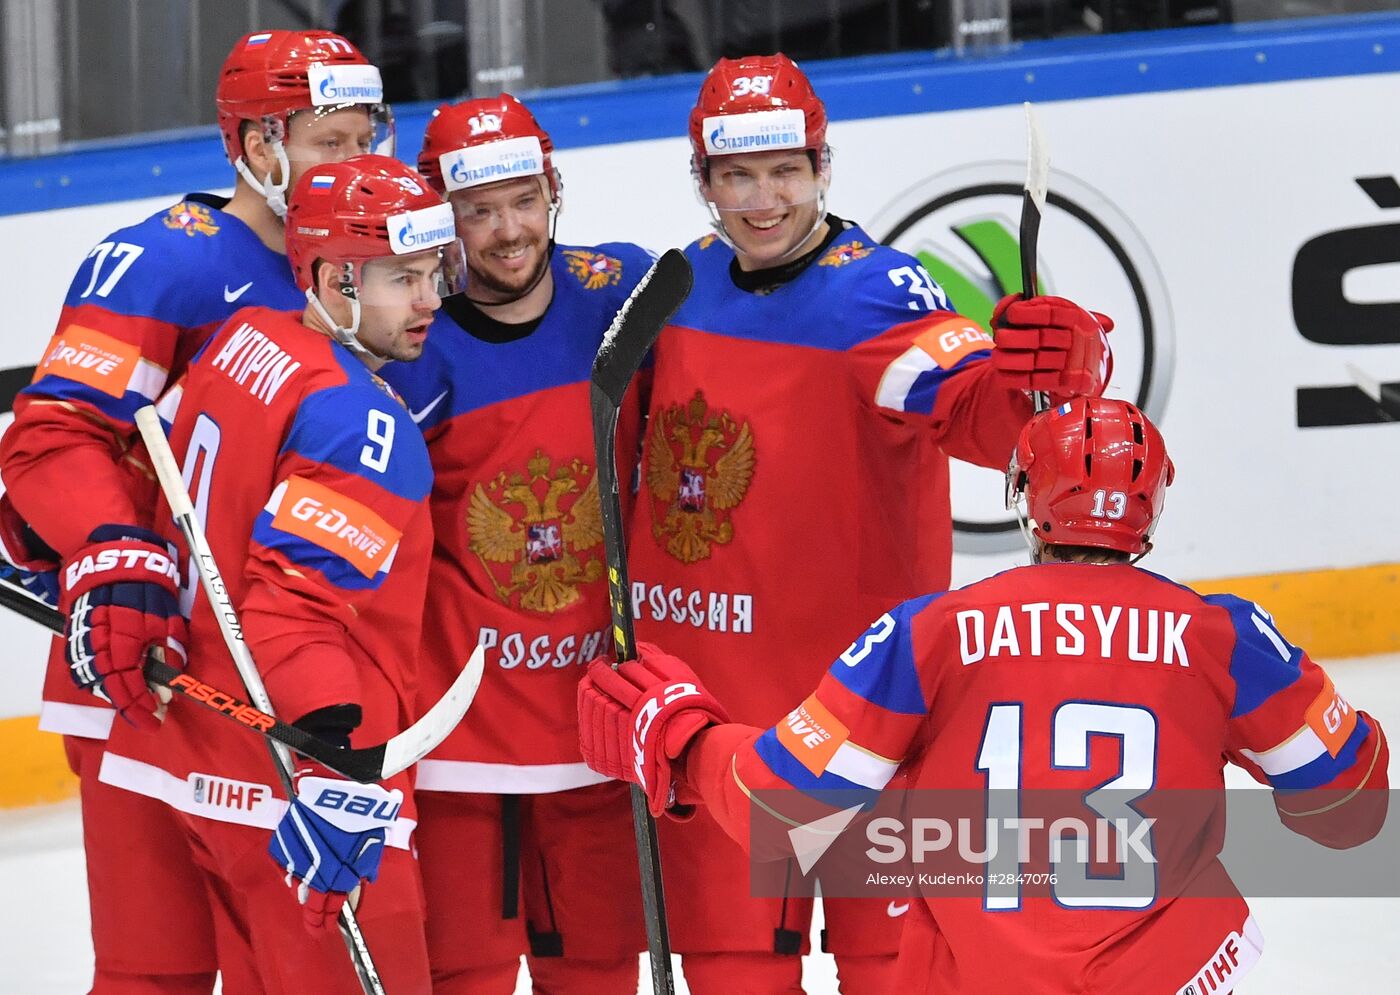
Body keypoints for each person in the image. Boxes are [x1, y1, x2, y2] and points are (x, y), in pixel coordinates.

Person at [581, 395, 1390, 994]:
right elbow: (1350, 810)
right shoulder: (1222, 637)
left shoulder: (934, 632)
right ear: (1152, 510)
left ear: (1025, 498)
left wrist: (684, 739)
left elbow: (786, 803)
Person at [623, 52, 1113, 992]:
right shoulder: (677, 292)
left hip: (870, 730)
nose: (764, 200)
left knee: (891, 973)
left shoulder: (877, 295)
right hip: (721, 735)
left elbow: (979, 412)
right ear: (703, 180)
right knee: (731, 973)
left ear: (822, 168)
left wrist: (1048, 376)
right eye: (737, 176)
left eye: (786, 171)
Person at [0, 29, 391, 993]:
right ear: (258, 146)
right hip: (148, 669)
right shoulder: (164, 262)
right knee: (153, 971)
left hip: (280, 679)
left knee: (289, 969)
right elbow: (54, 433)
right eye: (328, 143)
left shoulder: (380, 251)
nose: (356, 162)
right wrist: (113, 545)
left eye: (365, 138)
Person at [95, 154, 456, 992]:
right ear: (332, 279)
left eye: (433, 271)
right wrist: (334, 772)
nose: (431, 300)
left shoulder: (244, 338)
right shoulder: (362, 423)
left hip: (205, 772)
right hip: (301, 805)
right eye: (403, 278)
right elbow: (293, 615)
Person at [378, 92, 652, 993]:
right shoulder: (409, 343)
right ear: (439, 216)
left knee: (600, 970)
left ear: (552, 190)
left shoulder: (622, 293)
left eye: (524, 200)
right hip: (461, 745)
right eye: (479, 210)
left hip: (596, 728)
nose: (508, 231)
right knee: (464, 974)